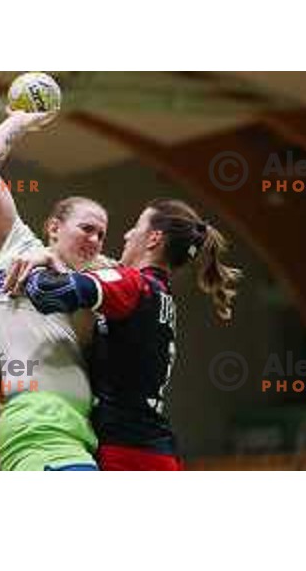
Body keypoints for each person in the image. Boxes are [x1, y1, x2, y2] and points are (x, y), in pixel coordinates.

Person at [23, 199, 242, 470]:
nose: (126, 235)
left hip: (128, 454)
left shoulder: (133, 285)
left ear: (153, 238)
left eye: (135, 227)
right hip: (155, 451)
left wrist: (42, 261)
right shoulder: (161, 294)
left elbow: (48, 293)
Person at [0, 109, 109, 470]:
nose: (94, 240)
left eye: (101, 234)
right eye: (87, 228)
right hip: (37, 426)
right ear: (54, 227)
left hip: (80, 431)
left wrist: (58, 268)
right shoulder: (17, 245)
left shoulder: (104, 277)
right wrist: (20, 120)